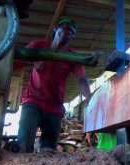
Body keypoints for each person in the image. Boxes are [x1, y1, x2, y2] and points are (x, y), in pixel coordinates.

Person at [16, 18, 92, 153]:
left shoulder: (73, 56)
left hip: (55, 108)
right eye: (67, 28)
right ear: (56, 28)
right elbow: (16, 62)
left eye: (73, 32)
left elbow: (82, 78)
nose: (70, 32)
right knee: (24, 147)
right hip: (32, 102)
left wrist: (90, 99)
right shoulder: (38, 46)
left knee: (49, 151)